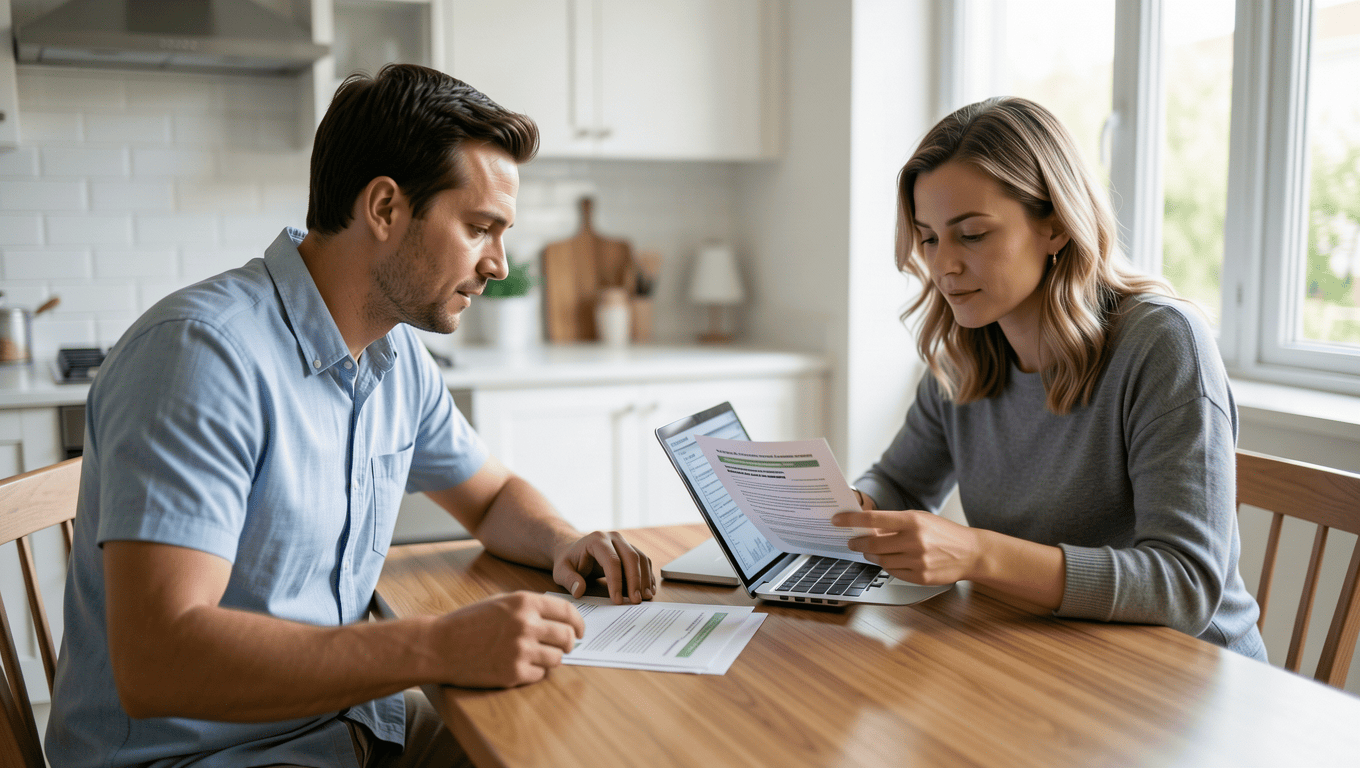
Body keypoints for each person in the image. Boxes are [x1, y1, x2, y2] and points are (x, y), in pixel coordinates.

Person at [44, 64, 657, 767]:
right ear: (386, 208)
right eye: (479, 228)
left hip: (344, 727)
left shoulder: (394, 357)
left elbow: (491, 497)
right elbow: (160, 662)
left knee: (573, 746)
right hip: (207, 757)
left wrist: (563, 542)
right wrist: (435, 645)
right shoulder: (201, 357)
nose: (497, 264)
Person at [833, 97, 1266, 659]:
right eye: (929, 237)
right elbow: (902, 483)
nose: (943, 266)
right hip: (1052, 651)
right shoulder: (966, 355)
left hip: (1186, 675)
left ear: (1056, 225)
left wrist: (977, 554)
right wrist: (848, 506)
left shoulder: (1163, 343)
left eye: (972, 234)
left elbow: (1185, 587)